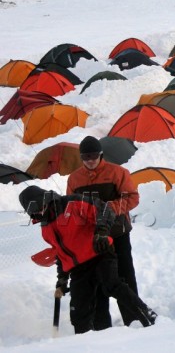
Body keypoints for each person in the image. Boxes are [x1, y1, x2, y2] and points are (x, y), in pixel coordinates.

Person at [19, 186, 156, 333]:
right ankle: (84, 340)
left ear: (47, 199)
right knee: (79, 308)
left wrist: (101, 232)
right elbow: (60, 253)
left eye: (41, 207)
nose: (40, 212)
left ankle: (148, 316)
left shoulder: (72, 203)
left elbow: (104, 209)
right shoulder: (46, 227)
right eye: (35, 211)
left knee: (111, 285)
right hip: (79, 268)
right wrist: (62, 278)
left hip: (99, 253)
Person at [67, 136, 141, 329]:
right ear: (81, 157)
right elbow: (71, 206)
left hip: (117, 233)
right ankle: (102, 327)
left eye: (94, 156)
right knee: (98, 280)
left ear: (101, 155)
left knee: (124, 276)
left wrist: (110, 209)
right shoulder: (74, 179)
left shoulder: (117, 172)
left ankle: (134, 320)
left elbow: (132, 198)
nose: (90, 160)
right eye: (86, 157)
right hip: (92, 238)